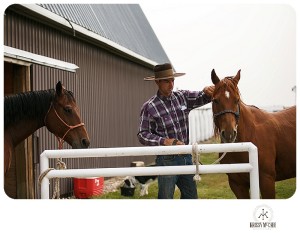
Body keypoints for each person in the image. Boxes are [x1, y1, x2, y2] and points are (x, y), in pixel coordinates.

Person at [137, 63, 214, 199]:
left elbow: (203, 96)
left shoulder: (182, 97)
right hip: (167, 159)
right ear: (157, 82)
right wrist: (165, 141)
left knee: (191, 198)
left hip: (186, 156)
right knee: (166, 198)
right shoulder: (149, 107)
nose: (171, 84)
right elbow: (143, 135)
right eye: (167, 81)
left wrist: (207, 90)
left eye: (172, 80)